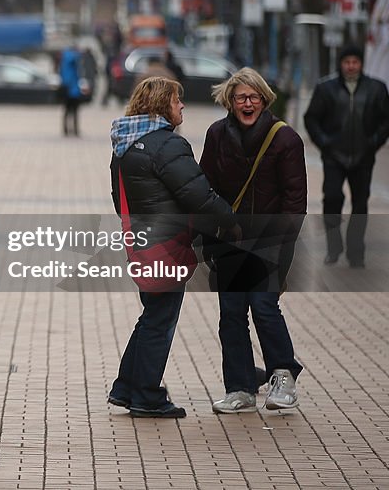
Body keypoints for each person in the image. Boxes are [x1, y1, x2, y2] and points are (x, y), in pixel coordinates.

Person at [108, 76, 235, 418]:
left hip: (141, 242)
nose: (182, 106)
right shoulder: (167, 144)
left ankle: (126, 387)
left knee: (151, 314)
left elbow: (119, 200)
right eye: (177, 100)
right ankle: (147, 395)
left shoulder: (124, 144)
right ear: (163, 104)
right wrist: (233, 219)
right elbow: (198, 195)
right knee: (160, 319)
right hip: (167, 245)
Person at [199, 68, 307, 413]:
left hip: (270, 241)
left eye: (254, 97)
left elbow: (295, 200)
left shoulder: (285, 139)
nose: (248, 103)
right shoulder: (217, 135)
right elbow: (206, 188)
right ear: (230, 102)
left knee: (263, 306)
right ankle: (240, 388)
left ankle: (283, 378)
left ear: (265, 100)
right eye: (241, 97)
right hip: (230, 242)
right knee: (231, 314)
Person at [304, 44, 389, 268]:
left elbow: (388, 120)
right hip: (334, 157)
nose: (351, 66)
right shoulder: (326, 89)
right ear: (341, 63)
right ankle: (333, 248)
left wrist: (373, 143)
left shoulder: (376, 89)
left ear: (361, 64)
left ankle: (356, 252)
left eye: (355, 62)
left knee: (360, 204)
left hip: (363, 157)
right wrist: (325, 143)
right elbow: (311, 118)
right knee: (332, 199)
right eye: (347, 62)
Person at [58, 45, 88, 136]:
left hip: (67, 90)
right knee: (74, 111)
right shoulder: (73, 60)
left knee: (67, 111)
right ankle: (75, 130)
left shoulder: (64, 61)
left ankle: (66, 130)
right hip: (73, 91)